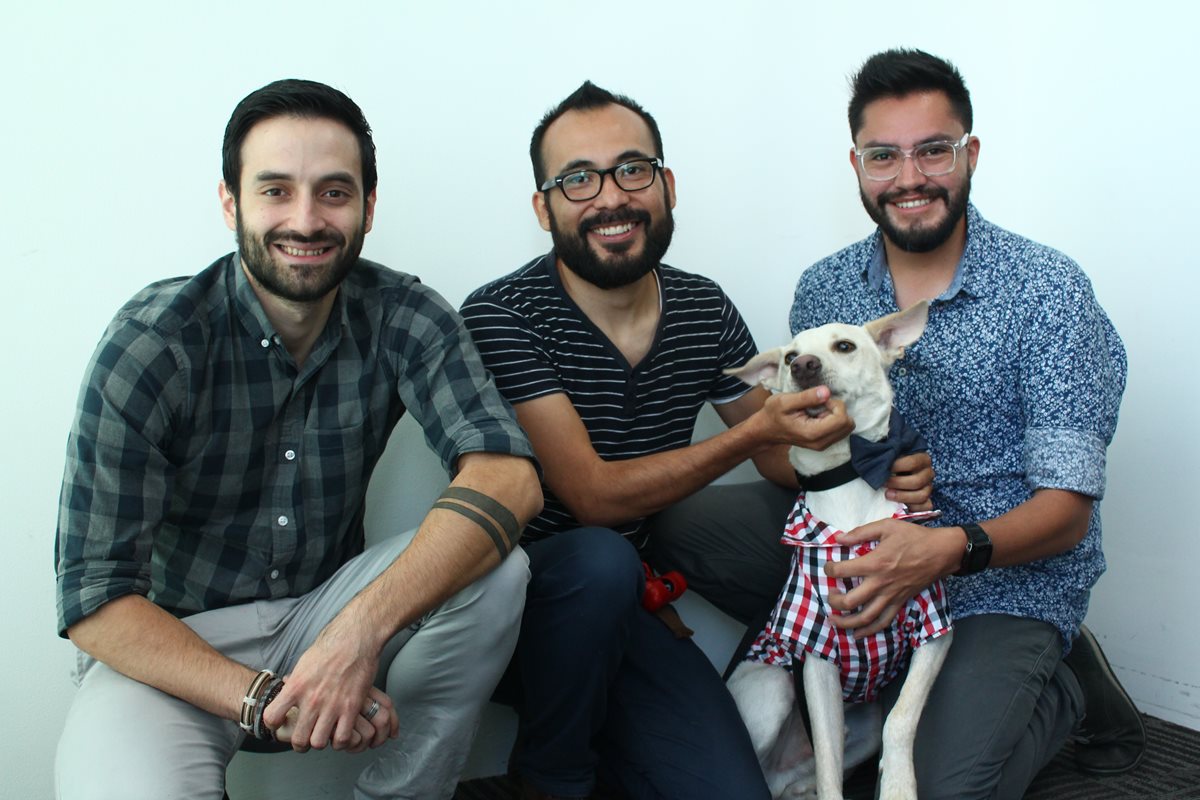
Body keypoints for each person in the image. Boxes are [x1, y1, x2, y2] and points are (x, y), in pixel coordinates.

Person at [54, 78, 541, 800]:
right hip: (176, 648)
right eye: (275, 190)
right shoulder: (153, 342)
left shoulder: (404, 313)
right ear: (231, 202)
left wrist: (356, 636)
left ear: (369, 208)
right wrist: (263, 698)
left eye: (334, 193)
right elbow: (94, 598)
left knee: (499, 568)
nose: (306, 220)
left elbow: (510, 479)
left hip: (328, 613)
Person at [459, 82, 932, 800]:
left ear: (666, 184)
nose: (610, 197)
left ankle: (606, 753)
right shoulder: (501, 313)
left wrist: (863, 456)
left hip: (627, 602)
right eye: (578, 179)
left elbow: (777, 452)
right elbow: (592, 498)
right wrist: (759, 435)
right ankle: (550, 775)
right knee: (597, 557)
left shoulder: (701, 306)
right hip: (521, 605)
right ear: (543, 206)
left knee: (732, 788)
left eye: (632, 170)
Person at [783, 49, 1139, 798]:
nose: (909, 178)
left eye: (933, 151)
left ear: (969, 153)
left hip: (1002, 573)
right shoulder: (824, 289)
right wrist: (879, 469)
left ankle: (1070, 685)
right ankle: (882, 664)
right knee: (696, 528)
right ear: (857, 164)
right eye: (884, 156)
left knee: (940, 787)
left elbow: (1068, 513)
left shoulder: (1047, 292)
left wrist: (941, 550)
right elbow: (808, 445)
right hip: (870, 531)